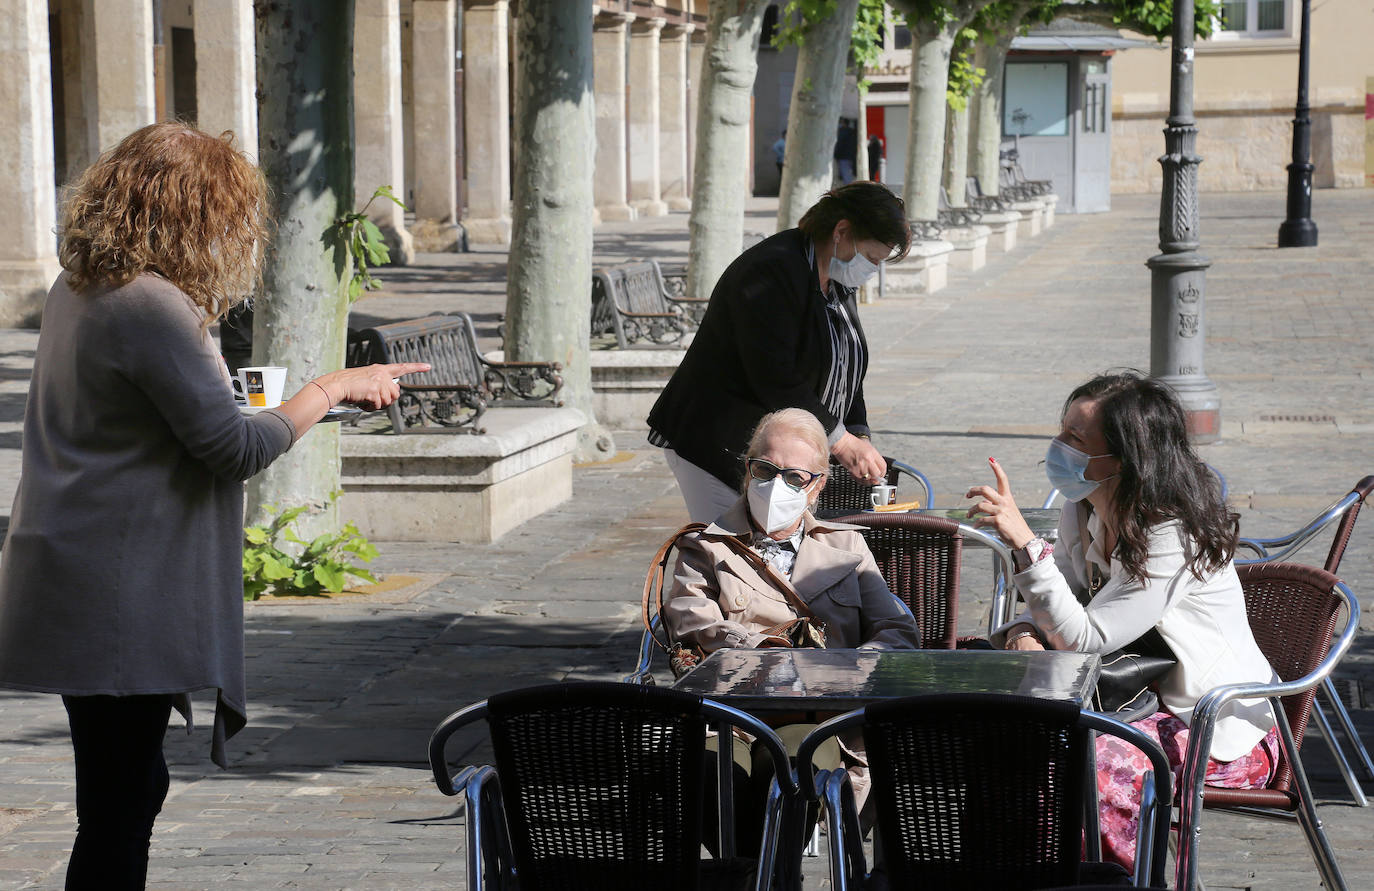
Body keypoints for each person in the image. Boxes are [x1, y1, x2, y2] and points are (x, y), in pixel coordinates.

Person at [0, 122, 429, 890]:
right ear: (193, 212)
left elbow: (146, 417)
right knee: (121, 803)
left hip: (74, 568)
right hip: (114, 590)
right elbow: (233, 448)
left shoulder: (83, 286)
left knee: (124, 790)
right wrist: (330, 389)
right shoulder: (152, 304)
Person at [964, 370, 1279, 870]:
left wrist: (1026, 544)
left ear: (1126, 460)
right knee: (1003, 745)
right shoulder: (1082, 509)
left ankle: (1124, 882)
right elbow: (1056, 604)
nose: (1058, 447)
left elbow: (1082, 636)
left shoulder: (1170, 535)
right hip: (1125, 704)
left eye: (1076, 438)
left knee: (1094, 766)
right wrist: (1023, 632)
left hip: (1216, 725)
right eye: (1062, 431)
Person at [664, 408, 919, 852]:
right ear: (747, 471)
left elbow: (897, 630)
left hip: (816, 717)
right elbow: (692, 623)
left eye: (794, 477)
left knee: (794, 769)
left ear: (817, 484)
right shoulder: (704, 546)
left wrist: (849, 667)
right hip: (729, 716)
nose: (775, 485)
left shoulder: (846, 546)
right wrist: (771, 646)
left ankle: (769, 875)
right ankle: (750, 873)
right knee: (710, 774)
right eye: (765, 469)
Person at [646, 181, 911, 522]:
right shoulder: (772, 270)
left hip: (781, 453)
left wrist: (857, 431)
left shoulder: (838, 278)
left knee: (781, 559)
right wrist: (841, 442)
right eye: (872, 257)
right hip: (719, 440)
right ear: (841, 232)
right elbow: (774, 374)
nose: (873, 269)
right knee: (730, 557)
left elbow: (847, 367)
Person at [834, 119, 857, 185]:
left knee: (846, 177)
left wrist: (836, 154)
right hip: (850, 157)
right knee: (847, 175)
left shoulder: (842, 132)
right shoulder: (852, 132)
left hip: (843, 157)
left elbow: (839, 144)